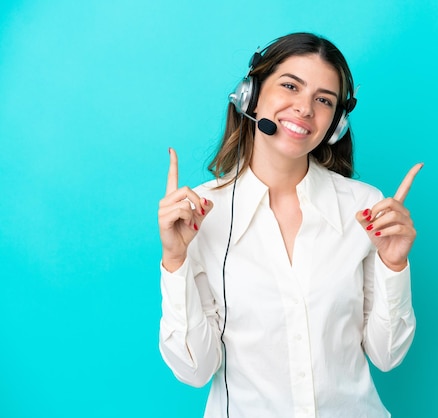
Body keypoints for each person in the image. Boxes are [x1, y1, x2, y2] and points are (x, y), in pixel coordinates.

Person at [158, 32, 423, 418]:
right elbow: (194, 370)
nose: (304, 109)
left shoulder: (364, 207)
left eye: (324, 100)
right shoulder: (200, 214)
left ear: (336, 122)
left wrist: (394, 265)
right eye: (290, 86)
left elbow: (387, 355)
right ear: (250, 94)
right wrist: (175, 259)